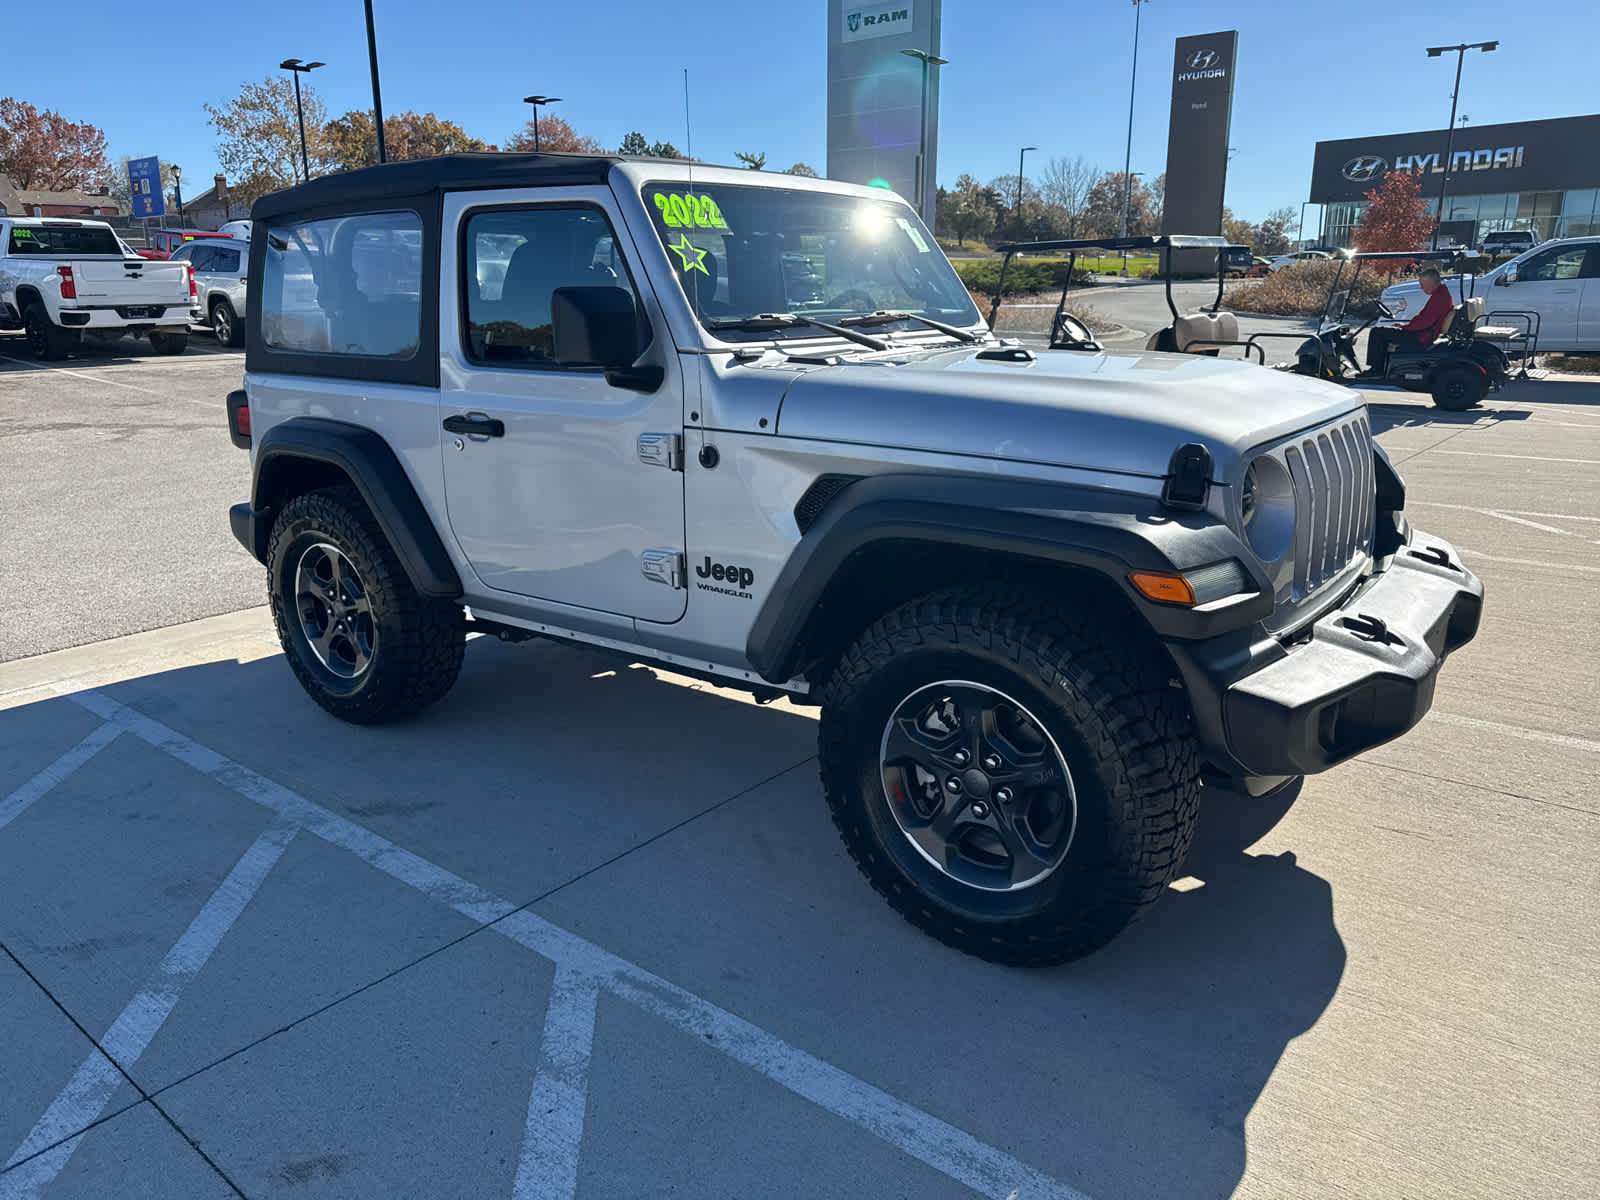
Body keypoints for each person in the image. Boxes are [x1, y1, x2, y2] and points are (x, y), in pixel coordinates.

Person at [1364, 267, 1453, 376]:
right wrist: (1406, 325)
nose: (1421, 287)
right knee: (1385, 331)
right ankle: (1381, 368)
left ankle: (1376, 370)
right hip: (1423, 333)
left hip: (1421, 337)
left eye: (1423, 284)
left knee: (1377, 332)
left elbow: (1425, 322)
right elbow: (1424, 319)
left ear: (1431, 282)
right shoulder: (1441, 294)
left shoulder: (1439, 298)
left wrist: (1405, 328)